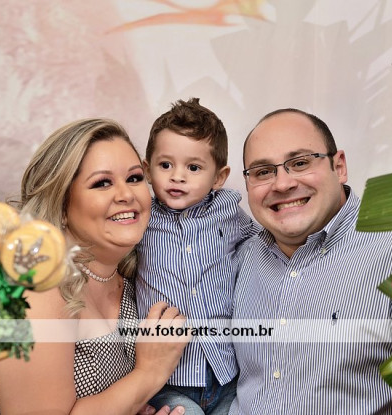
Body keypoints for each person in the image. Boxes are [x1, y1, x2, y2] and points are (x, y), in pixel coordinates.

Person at [0, 118, 189, 415]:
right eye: (102, 183)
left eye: (134, 178)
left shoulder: (138, 284)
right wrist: (150, 372)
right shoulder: (35, 287)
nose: (126, 195)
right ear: (61, 206)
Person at [229, 108, 392, 414]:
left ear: (339, 166)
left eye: (300, 163)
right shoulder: (240, 258)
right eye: (263, 172)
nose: (282, 184)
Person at [136, 98, 260, 414]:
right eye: (166, 165)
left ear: (218, 177)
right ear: (147, 170)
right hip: (169, 380)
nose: (178, 177)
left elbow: (265, 245)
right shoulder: (141, 217)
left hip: (226, 374)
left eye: (193, 168)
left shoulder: (228, 212)